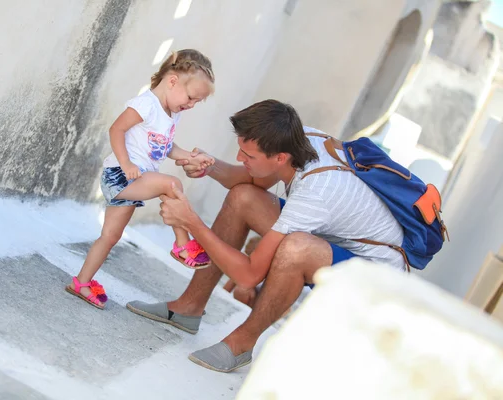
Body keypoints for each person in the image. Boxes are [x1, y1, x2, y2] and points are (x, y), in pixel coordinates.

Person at [126, 99, 406, 372]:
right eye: (241, 150)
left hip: (373, 275)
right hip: (335, 236)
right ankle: (189, 307)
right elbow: (251, 180)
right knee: (242, 198)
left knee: (296, 248)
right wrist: (210, 166)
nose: (239, 158)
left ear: (280, 157)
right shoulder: (296, 138)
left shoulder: (314, 195)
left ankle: (241, 344)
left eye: (248, 156)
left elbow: (249, 275)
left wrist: (191, 221)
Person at [65, 49, 216, 310]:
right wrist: (127, 163)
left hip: (135, 178)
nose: (190, 105)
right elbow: (117, 129)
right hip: (121, 175)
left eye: (196, 102)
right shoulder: (145, 104)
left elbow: (164, 147)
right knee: (172, 185)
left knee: (110, 236)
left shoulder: (171, 113)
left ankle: (81, 282)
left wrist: (189, 157)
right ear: (172, 81)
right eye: (191, 98)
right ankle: (182, 244)